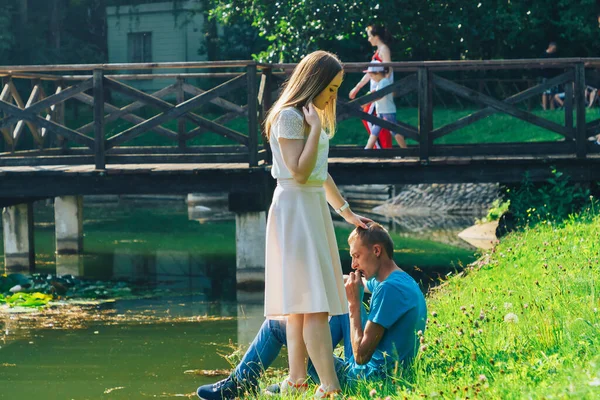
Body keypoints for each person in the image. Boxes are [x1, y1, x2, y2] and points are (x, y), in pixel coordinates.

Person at [196, 223, 428, 400]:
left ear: (376, 250)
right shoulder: (399, 280)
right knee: (334, 312)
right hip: (379, 371)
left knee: (277, 326)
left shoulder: (389, 291)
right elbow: (348, 282)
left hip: (366, 381)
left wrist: (354, 304)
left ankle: (239, 384)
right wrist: (310, 281)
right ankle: (294, 378)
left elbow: (360, 355)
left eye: (356, 256)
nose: (354, 264)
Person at [255, 50, 371, 399]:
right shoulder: (291, 117)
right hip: (294, 210)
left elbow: (320, 174)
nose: (332, 96)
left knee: (302, 304)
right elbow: (300, 171)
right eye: (331, 88)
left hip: (311, 209)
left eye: (336, 89)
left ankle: (297, 379)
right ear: (314, 82)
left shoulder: (309, 115)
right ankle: (330, 387)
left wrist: (346, 212)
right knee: (312, 305)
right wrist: (316, 127)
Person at [348, 24, 396, 149]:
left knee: (370, 117)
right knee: (378, 119)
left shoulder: (384, 49)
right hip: (376, 90)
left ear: (376, 37)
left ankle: (380, 149)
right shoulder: (378, 51)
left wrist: (385, 88)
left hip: (379, 91)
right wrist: (358, 87)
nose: (368, 39)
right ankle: (380, 148)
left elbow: (389, 69)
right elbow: (371, 73)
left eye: (370, 36)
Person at [362, 61, 407, 149]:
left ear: (378, 73)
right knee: (375, 131)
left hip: (387, 112)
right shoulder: (381, 82)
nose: (371, 78)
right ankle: (367, 149)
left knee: (394, 131)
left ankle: (405, 150)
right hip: (381, 111)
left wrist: (367, 102)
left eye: (372, 75)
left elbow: (380, 96)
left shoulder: (384, 82)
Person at [540, 42, 558, 110]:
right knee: (545, 92)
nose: (554, 50)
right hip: (546, 75)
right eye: (554, 49)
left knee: (552, 92)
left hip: (553, 75)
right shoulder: (543, 54)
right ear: (550, 47)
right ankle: (544, 107)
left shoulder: (554, 54)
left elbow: (556, 62)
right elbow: (541, 64)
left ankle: (552, 107)